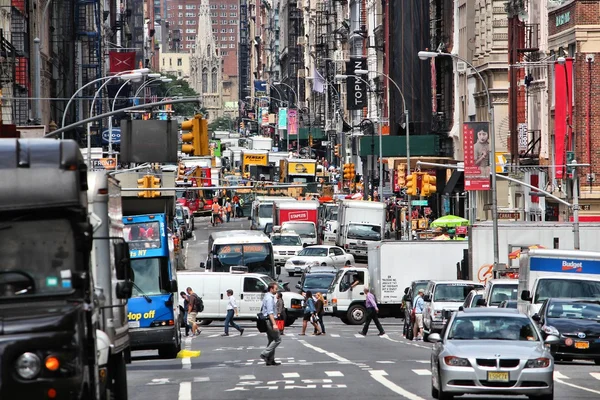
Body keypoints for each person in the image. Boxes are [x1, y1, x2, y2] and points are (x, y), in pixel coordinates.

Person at [260, 282, 281, 366]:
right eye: (276, 289)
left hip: (267, 320)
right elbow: (270, 313)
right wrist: (274, 324)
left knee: (271, 340)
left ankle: (270, 360)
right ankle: (265, 353)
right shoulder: (269, 298)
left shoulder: (267, 296)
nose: (277, 290)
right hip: (270, 320)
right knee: (278, 339)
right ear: (271, 289)